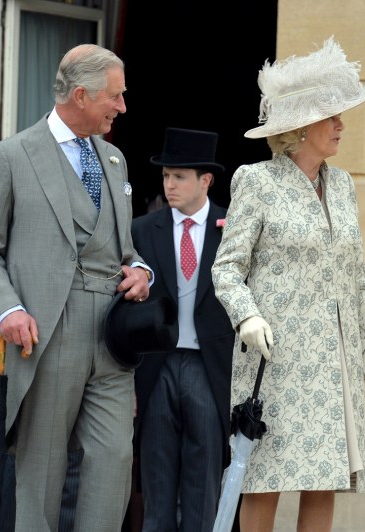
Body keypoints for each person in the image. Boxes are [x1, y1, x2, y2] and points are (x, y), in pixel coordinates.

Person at [211, 36, 365, 532]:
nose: (340, 126)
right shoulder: (256, 181)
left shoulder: (344, 184)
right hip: (276, 354)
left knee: (324, 476)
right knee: (264, 477)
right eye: (331, 116)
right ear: (301, 126)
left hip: (335, 357)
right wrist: (246, 315)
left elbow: (356, 270)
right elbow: (227, 267)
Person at [0, 43, 152, 531]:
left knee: (114, 462)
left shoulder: (116, 160)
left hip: (112, 340)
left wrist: (143, 272)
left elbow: (125, 250)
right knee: (41, 475)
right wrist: (8, 309)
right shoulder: (12, 156)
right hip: (46, 335)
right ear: (81, 95)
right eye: (114, 97)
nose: (122, 107)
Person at [130, 127, 235, 531]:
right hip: (156, 368)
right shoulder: (142, 229)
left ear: (205, 180)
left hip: (209, 370)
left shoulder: (234, 227)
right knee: (155, 486)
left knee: (203, 487)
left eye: (179, 176)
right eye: (165, 176)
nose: (169, 185)